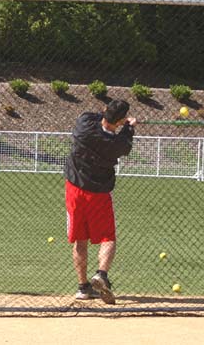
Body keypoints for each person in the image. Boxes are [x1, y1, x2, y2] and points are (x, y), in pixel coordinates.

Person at [64, 99, 137, 304]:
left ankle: (83, 288)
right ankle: (101, 274)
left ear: (104, 111)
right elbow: (124, 145)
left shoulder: (84, 125)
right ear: (120, 120)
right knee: (107, 237)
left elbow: (93, 117)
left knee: (80, 239)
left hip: (75, 190)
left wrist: (117, 120)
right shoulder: (117, 143)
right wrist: (128, 127)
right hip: (98, 193)